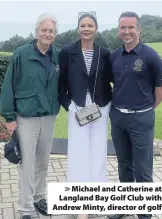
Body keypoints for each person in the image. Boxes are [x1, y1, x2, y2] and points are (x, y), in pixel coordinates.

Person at [0, 12, 60, 219]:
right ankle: (25, 208)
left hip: (49, 116)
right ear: (37, 32)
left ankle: (39, 198)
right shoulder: (21, 54)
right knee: (27, 163)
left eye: (51, 30)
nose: (47, 33)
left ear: (55, 34)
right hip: (26, 117)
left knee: (43, 161)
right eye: (44, 30)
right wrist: (9, 118)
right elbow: (9, 85)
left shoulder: (57, 56)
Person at [58, 12, 112, 219]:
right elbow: (61, 84)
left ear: (96, 29)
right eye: (83, 25)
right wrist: (70, 106)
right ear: (78, 28)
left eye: (90, 25)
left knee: (98, 153)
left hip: (101, 107)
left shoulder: (104, 53)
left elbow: (112, 80)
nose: (86, 28)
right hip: (77, 108)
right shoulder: (67, 52)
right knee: (79, 154)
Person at [109, 12, 162, 219]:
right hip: (118, 118)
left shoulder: (150, 56)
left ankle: (144, 212)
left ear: (139, 29)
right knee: (124, 164)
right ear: (119, 30)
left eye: (131, 27)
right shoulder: (114, 56)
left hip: (142, 118)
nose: (127, 31)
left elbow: (159, 92)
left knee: (143, 168)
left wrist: (145, 109)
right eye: (123, 28)